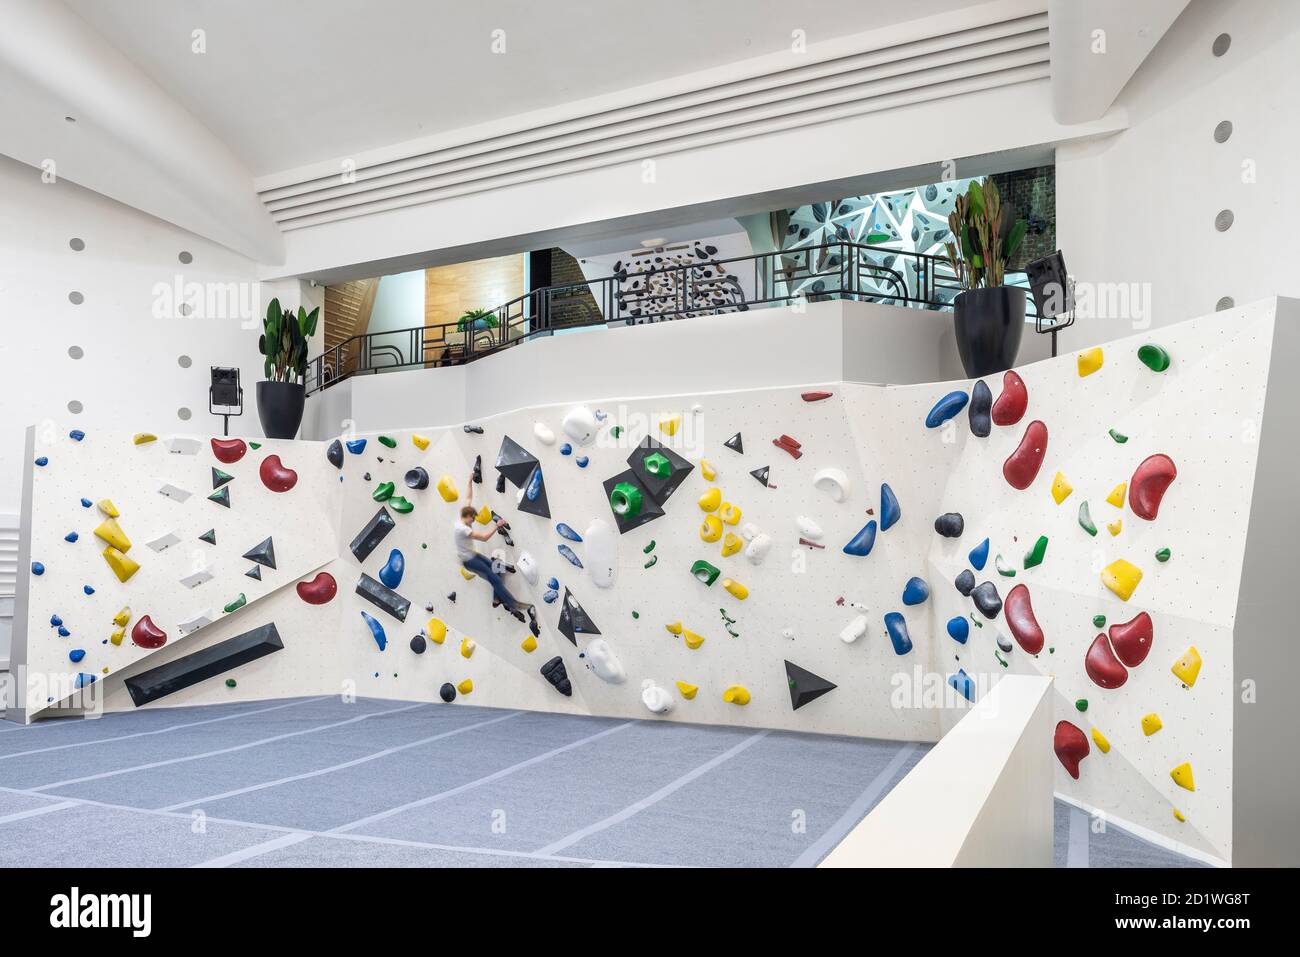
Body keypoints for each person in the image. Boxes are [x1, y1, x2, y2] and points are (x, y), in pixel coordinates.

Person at [453, 470, 534, 626]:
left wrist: (469, 480)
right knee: (494, 577)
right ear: (467, 518)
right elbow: (483, 537)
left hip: (472, 555)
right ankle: (512, 603)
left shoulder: (463, 514)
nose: (473, 521)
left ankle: (497, 598)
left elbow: (468, 497)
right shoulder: (463, 529)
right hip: (468, 561)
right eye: (472, 520)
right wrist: (496, 526)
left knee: (499, 569)